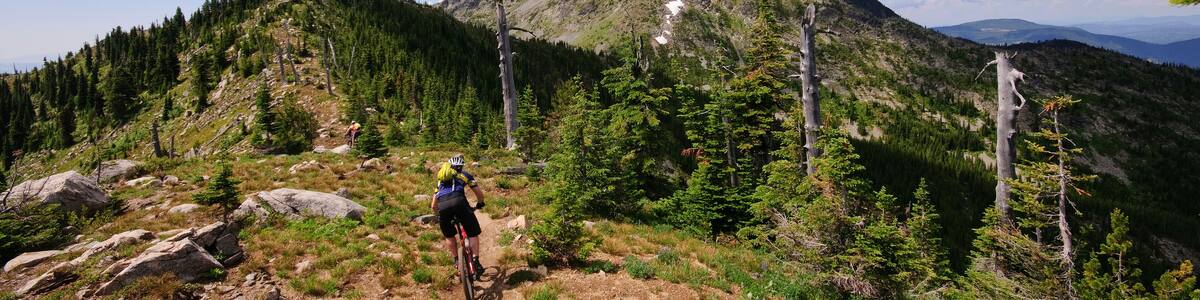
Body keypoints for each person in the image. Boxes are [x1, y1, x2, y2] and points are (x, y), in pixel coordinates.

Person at [431, 155, 486, 280]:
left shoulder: (440, 181)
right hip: (459, 202)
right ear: (461, 167)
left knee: (449, 235)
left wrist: (439, 215)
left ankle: (456, 260)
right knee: (472, 233)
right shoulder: (465, 175)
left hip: (443, 206)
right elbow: (478, 193)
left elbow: (433, 205)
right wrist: (480, 203)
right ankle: (475, 261)